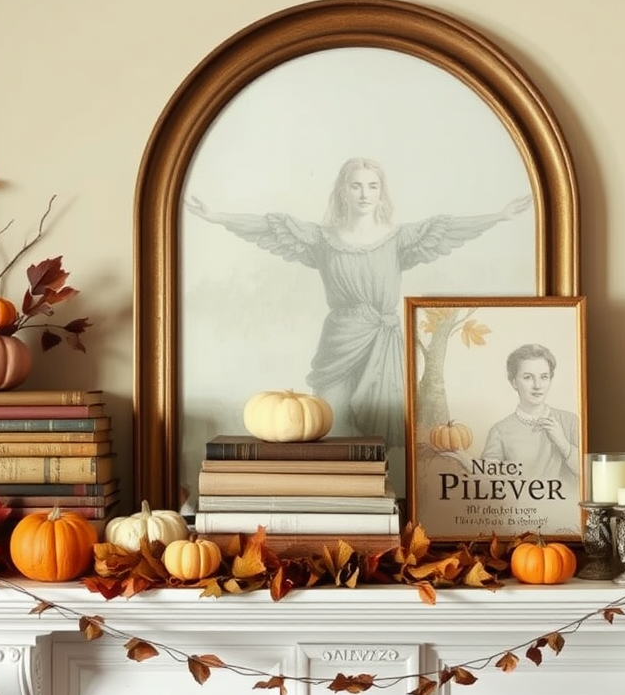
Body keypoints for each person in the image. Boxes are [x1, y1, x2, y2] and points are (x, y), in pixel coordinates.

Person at [187, 157, 530, 449]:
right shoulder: (321, 239)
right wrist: (218, 217)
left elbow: (448, 228)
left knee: (379, 426)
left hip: (382, 339)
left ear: (381, 193)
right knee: (328, 420)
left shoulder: (399, 239)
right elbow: (269, 227)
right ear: (342, 192)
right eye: (356, 186)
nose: (365, 194)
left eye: (372, 186)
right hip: (339, 340)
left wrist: (498, 217)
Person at [480, 342, 580, 487]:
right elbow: (488, 483)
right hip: (521, 507)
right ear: (514, 382)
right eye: (528, 377)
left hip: (564, 508)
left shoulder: (570, 421)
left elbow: (590, 475)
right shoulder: (500, 431)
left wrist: (564, 444)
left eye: (544, 377)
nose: (537, 386)